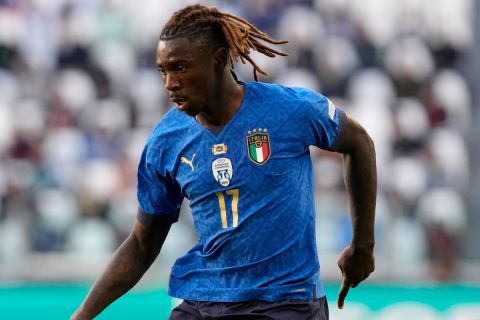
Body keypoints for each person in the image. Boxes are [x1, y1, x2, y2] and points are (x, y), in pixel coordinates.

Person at [71, 4, 376, 320]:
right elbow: (141, 245)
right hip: (207, 302)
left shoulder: (290, 110)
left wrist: (363, 245)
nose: (169, 83)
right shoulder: (166, 140)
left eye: (180, 68)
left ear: (217, 60)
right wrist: (81, 316)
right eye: (163, 70)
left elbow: (360, 143)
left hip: (286, 303)